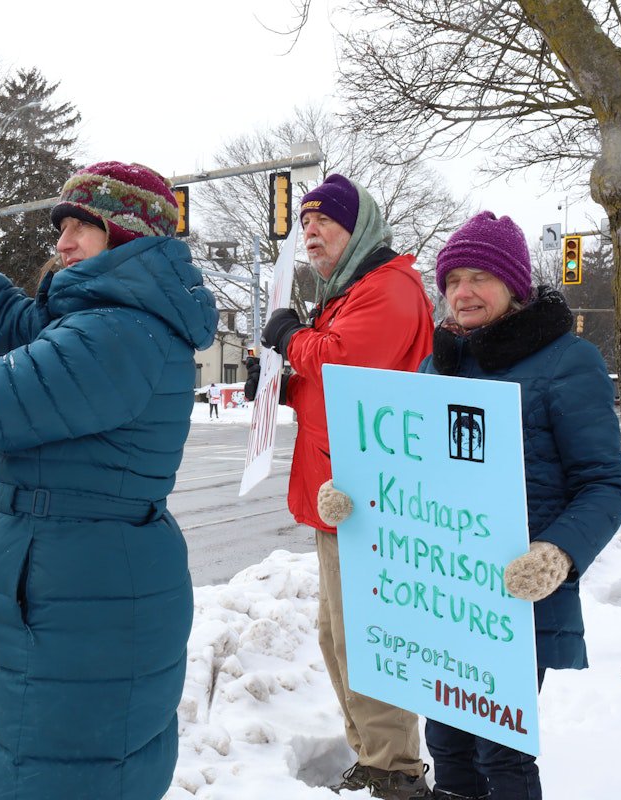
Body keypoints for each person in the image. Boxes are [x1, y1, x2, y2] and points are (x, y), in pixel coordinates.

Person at [0, 160, 217, 800]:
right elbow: (5, 317)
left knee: (55, 775)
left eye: (83, 226)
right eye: (62, 225)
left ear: (129, 238)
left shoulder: (116, 337)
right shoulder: (114, 321)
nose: (61, 241)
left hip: (88, 609)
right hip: (89, 599)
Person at [320, 211, 621, 799]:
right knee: (448, 744)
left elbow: (605, 482)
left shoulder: (568, 361)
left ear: (513, 284)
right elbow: (411, 479)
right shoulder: (440, 363)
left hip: (514, 596)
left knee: (502, 753)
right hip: (447, 597)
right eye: (452, 279)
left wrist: (557, 553)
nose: (462, 292)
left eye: (479, 277)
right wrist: (354, 497)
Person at [249, 174, 435, 799]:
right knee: (338, 635)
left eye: (323, 221)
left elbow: (340, 360)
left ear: (359, 229)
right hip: (341, 494)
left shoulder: (389, 289)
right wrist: (276, 380)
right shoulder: (348, 291)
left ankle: (396, 767)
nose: (310, 233)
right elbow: (327, 383)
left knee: (369, 637)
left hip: (373, 497)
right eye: (304, 223)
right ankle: (374, 754)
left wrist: (287, 338)